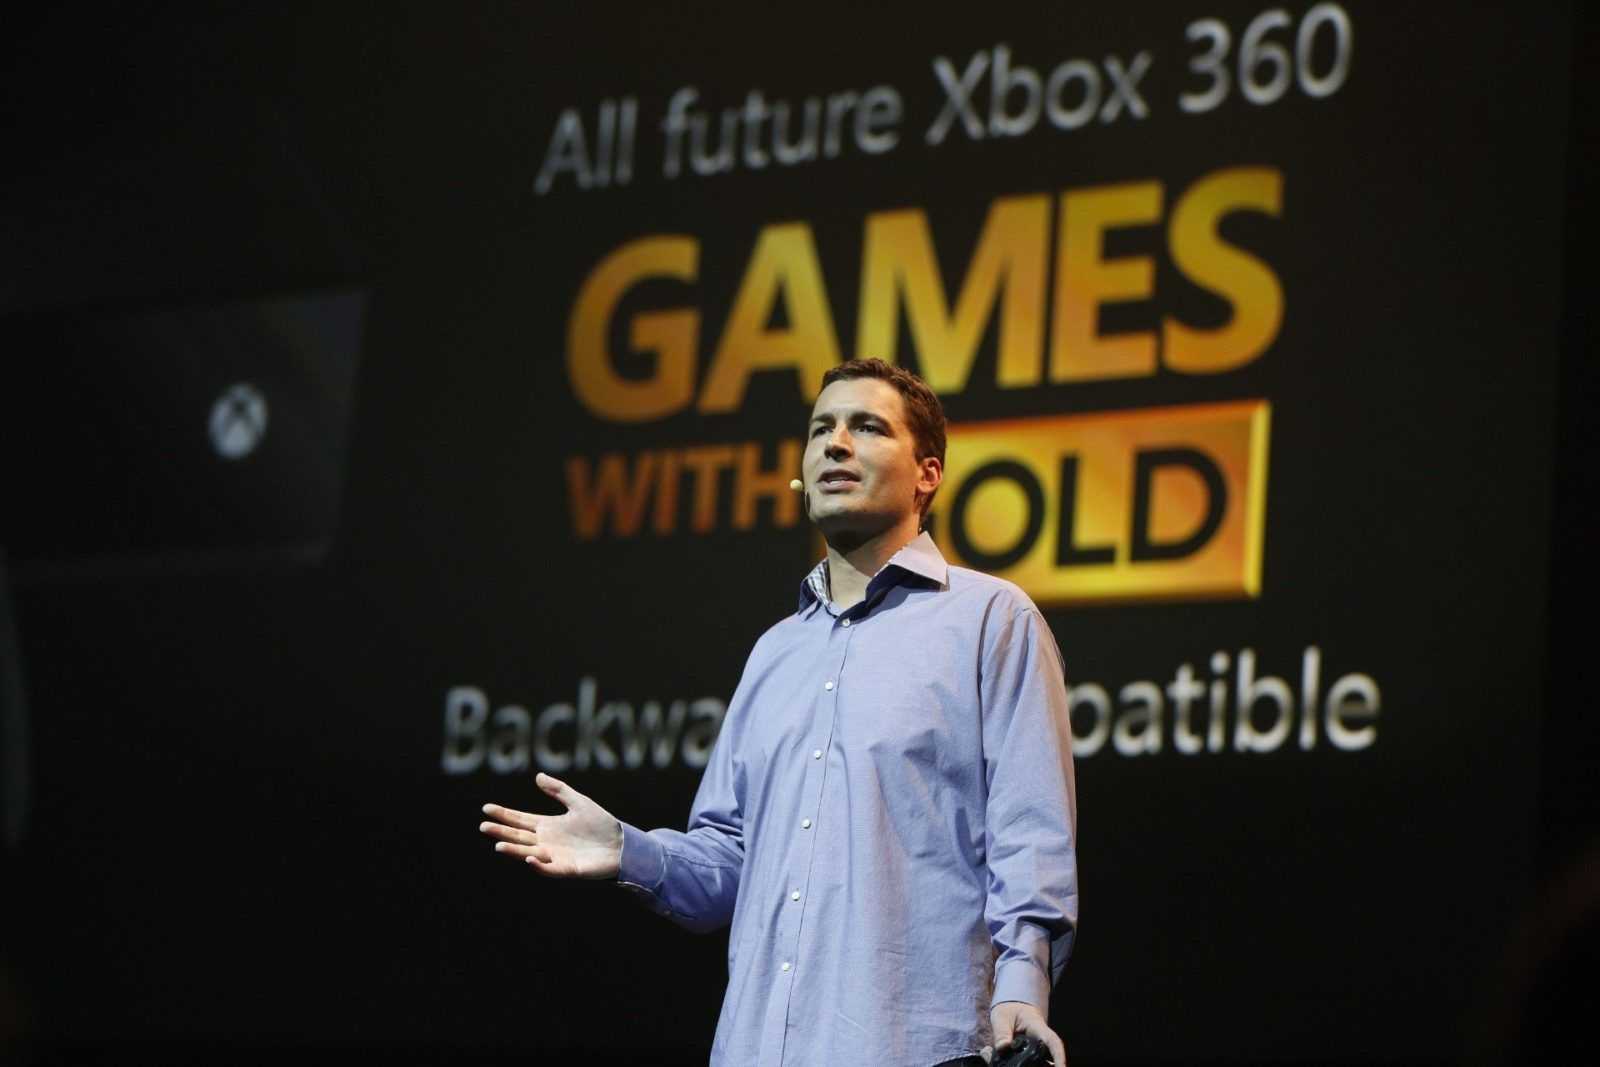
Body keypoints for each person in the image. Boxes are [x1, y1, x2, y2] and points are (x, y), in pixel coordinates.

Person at [480, 359, 1078, 1067]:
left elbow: (1028, 831)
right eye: (821, 429)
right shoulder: (775, 652)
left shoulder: (991, 620)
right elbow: (729, 859)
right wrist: (627, 850)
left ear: (928, 474)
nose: (836, 444)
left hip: (914, 1047)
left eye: (867, 427)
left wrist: (1023, 987)